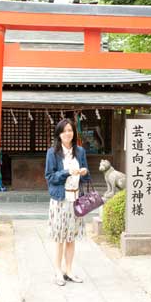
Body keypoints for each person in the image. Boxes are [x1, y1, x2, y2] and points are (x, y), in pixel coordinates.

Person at [45, 118, 90, 286]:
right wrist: (66, 172)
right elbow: (50, 177)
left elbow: (87, 174)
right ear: (59, 134)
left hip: (76, 199)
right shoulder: (53, 152)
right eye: (64, 131)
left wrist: (84, 171)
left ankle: (69, 270)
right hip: (60, 200)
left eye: (70, 130)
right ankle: (58, 271)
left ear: (74, 133)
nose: (67, 133)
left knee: (71, 238)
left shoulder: (80, 151)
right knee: (60, 238)